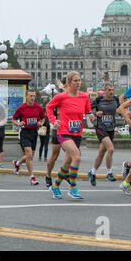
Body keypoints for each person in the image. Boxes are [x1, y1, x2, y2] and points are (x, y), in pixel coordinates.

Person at [46, 71, 94, 199]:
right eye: (75, 81)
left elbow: (87, 110)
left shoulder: (84, 96)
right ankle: (73, 188)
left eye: (79, 80)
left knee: (67, 163)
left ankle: (55, 186)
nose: (78, 83)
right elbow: (48, 107)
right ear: (68, 83)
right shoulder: (61, 97)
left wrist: (91, 115)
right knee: (77, 157)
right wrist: (53, 121)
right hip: (64, 132)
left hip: (77, 133)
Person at [12, 88, 45, 186]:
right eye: (30, 96)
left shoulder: (38, 107)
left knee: (30, 157)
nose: (32, 98)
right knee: (29, 155)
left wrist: (40, 123)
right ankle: (32, 177)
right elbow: (14, 119)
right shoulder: (21, 108)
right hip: (25, 132)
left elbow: (43, 118)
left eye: (34, 96)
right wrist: (19, 123)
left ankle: (17, 163)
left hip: (34, 133)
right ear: (26, 97)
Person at [88, 83, 119, 186]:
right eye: (109, 90)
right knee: (111, 149)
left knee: (101, 152)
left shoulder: (116, 100)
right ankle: (109, 174)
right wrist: (95, 114)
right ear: (105, 91)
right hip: (101, 127)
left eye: (113, 90)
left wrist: (127, 113)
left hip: (110, 128)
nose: (111, 92)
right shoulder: (98, 100)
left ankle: (92, 173)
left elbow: (121, 108)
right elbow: (88, 109)